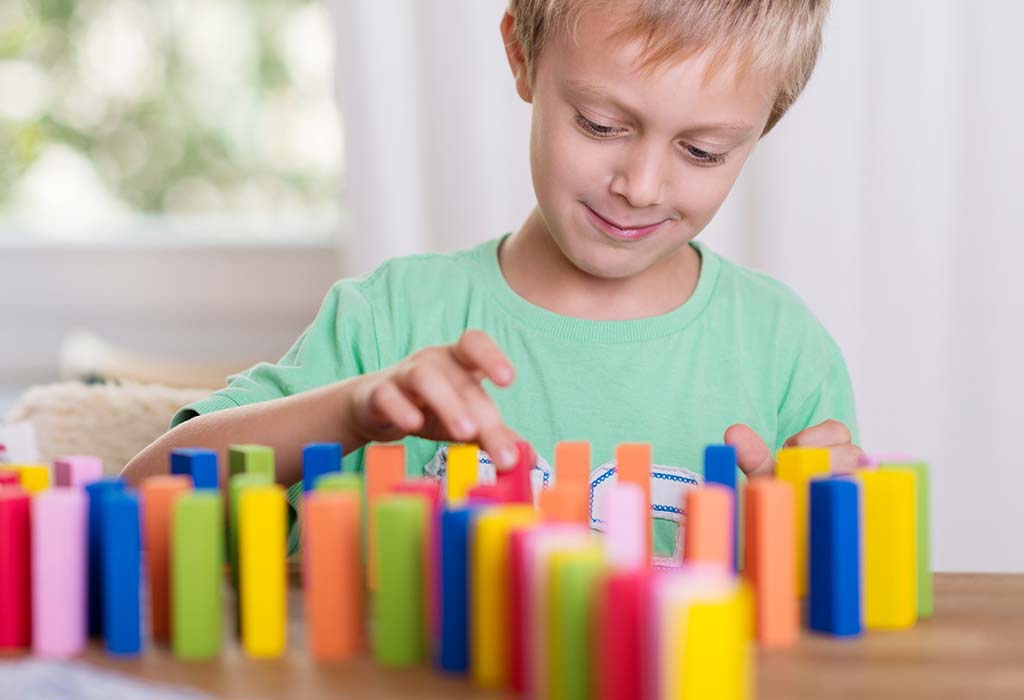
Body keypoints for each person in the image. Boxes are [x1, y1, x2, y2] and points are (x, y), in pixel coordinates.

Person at [123, 0, 860, 558]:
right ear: (522, 56)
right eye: (601, 125)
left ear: (766, 123)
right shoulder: (391, 319)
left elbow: (836, 624)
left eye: (701, 151)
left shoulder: (782, 349)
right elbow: (137, 499)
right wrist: (351, 411)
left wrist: (805, 539)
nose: (640, 185)